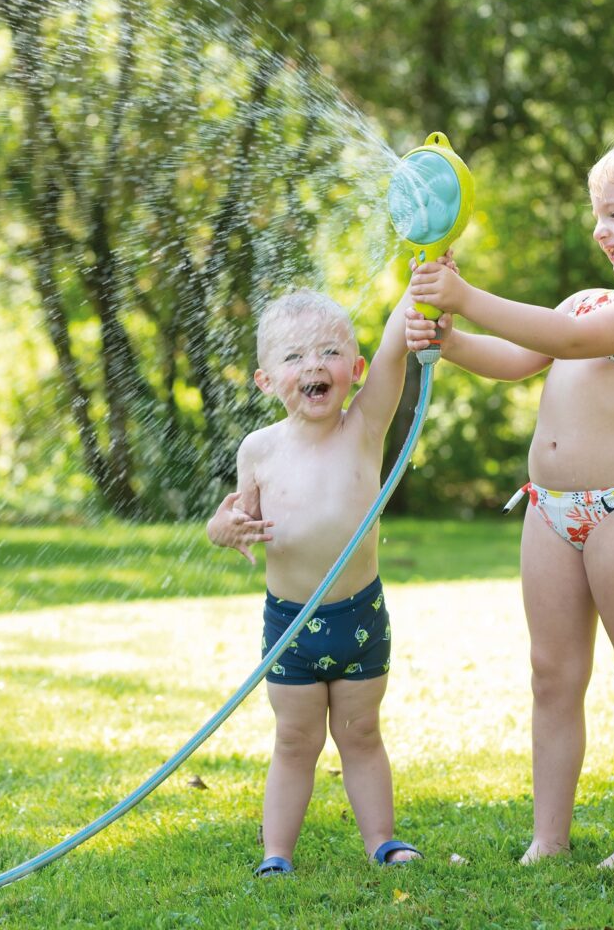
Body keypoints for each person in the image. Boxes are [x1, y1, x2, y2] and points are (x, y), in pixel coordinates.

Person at [405, 125, 614, 868]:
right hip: (549, 511)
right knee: (552, 674)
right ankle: (547, 839)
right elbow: (520, 356)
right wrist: (449, 336)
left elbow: (566, 341)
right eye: (598, 214)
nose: (600, 229)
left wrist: (466, 293)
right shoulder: (590, 300)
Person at [207, 285, 420, 876]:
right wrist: (224, 528)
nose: (313, 367)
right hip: (290, 624)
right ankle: (277, 854)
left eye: (329, 353)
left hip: (359, 618)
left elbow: (398, 344)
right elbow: (232, 520)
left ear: (354, 369)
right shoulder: (259, 450)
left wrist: (423, 275)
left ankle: (382, 840)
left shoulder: (365, 426)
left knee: (361, 732)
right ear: (266, 380)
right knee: (295, 740)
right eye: (294, 358)